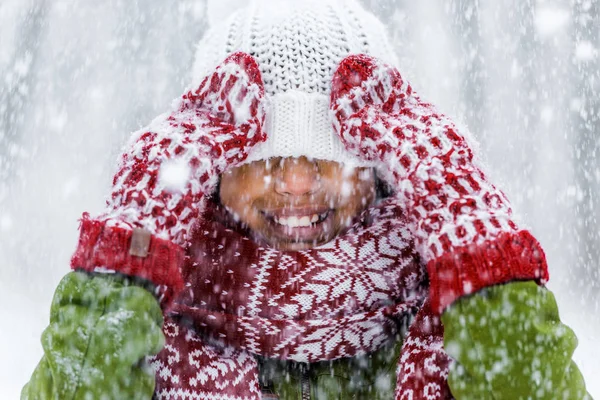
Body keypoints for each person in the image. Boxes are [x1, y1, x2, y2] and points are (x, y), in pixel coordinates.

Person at [22, 1, 592, 399]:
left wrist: (472, 238)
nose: (296, 182)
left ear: (383, 162)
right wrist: (132, 242)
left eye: (328, 150)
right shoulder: (149, 324)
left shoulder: (449, 317)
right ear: (210, 168)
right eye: (261, 154)